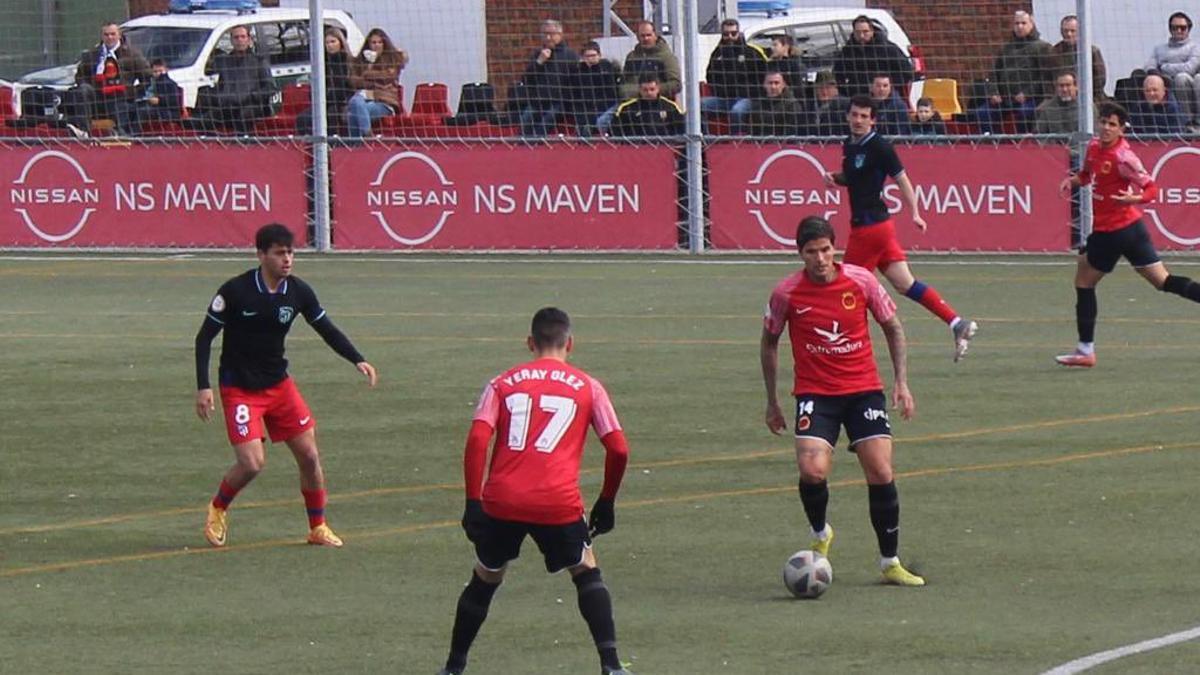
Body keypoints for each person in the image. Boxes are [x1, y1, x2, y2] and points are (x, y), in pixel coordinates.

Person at [435, 307, 633, 675]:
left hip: (502, 500)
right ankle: (611, 664)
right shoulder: (589, 386)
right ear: (570, 343)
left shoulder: (501, 383)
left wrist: (472, 502)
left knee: (486, 576)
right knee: (586, 571)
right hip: (556, 502)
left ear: (530, 343)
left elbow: (478, 438)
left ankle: (453, 667)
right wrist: (606, 501)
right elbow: (619, 448)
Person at [760, 215, 925, 587]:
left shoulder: (862, 281)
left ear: (835, 248)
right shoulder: (786, 293)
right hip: (816, 393)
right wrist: (772, 401)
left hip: (863, 389)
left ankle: (890, 562)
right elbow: (769, 343)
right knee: (812, 469)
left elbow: (893, 328)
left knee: (881, 470)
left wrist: (901, 382)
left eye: (825, 250)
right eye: (810, 252)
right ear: (799, 254)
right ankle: (821, 532)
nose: (819, 258)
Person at [194, 224, 378, 548]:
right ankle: (218, 507)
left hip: (279, 386)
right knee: (252, 463)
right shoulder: (235, 291)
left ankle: (317, 527)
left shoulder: (298, 292)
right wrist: (203, 387)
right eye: (280, 253)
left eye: (291, 252)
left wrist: (357, 359)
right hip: (239, 389)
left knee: (309, 456)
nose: (288, 259)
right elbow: (204, 337)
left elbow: (326, 328)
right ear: (261, 255)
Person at [824, 95, 978, 360]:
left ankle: (848, 350)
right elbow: (855, 178)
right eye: (854, 115)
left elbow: (902, 180)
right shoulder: (849, 144)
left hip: (871, 229)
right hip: (876, 228)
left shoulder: (880, 146)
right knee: (905, 284)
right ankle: (957, 323)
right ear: (848, 116)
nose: (858, 120)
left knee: (848, 287)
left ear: (873, 120)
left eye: (864, 116)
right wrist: (835, 178)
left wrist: (915, 213)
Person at [1055, 102, 1200, 367]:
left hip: (1115, 231)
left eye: (1112, 124)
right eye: (1104, 122)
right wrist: (1072, 180)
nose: (1106, 128)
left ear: (1122, 129)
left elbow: (1152, 188)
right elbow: (1087, 175)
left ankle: (1086, 350)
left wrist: (1135, 197)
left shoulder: (1124, 157)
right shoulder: (1094, 148)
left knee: (1084, 281)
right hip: (1133, 231)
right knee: (1163, 281)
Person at [66, 21, 151, 136]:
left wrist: (133, 92)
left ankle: (121, 135)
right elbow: (80, 76)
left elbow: (147, 77)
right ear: (102, 36)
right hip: (97, 97)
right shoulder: (93, 54)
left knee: (121, 106)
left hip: (120, 98)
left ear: (119, 35)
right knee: (83, 89)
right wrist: (88, 85)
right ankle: (83, 130)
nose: (109, 37)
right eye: (106, 34)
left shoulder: (132, 54)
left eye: (112, 34)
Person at [975, 11, 1054, 134]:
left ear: (1032, 24)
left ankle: (1023, 143)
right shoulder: (1006, 48)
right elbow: (994, 74)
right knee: (982, 113)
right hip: (1004, 98)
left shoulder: (1043, 48)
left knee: (1025, 113)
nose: (1020, 27)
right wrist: (994, 93)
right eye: (1017, 23)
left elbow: (1045, 76)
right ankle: (993, 142)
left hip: (1030, 98)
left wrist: (1027, 94)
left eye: (1023, 23)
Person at [596, 20, 681, 135]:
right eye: (642, 36)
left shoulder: (667, 57)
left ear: (655, 35)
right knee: (602, 122)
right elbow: (623, 81)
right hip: (630, 103)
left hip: (658, 103)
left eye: (648, 35)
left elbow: (676, 84)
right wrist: (632, 92)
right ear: (637, 37)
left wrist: (652, 90)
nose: (645, 38)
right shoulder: (632, 56)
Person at [197, 25, 276, 134]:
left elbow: (270, 87)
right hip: (228, 106)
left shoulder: (259, 61)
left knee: (242, 118)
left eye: (243, 37)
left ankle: (241, 145)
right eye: (236, 37)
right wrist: (219, 97)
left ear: (249, 39)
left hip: (251, 106)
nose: (240, 40)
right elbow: (220, 84)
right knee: (204, 120)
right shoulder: (224, 62)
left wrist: (252, 96)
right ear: (231, 41)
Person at [701, 18, 768, 134]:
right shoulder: (717, 54)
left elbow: (763, 76)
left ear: (739, 33)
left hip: (748, 99)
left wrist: (750, 92)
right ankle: (705, 140)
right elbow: (710, 76)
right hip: (724, 99)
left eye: (733, 33)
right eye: (726, 34)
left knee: (737, 111)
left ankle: (735, 142)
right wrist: (719, 91)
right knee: (698, 107)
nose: (730, 37)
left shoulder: (751, 53)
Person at [514, 19, 578, 137]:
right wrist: (539, 62)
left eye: (552, 34)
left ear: (560, 35)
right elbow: (526, 79)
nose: (548, 37)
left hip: (559, 101)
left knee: (544, 124)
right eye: (545, 34)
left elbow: (575, 81)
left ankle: (538, 146)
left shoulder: (570, 55)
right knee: (525, 122)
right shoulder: (537, 54)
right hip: (537, 100)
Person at [831, 15, 915, 97]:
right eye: (858, 32)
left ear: (872, 31)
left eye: (865, 31)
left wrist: (888, 86)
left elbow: (906, 72)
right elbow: (837, 75)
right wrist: (847, 91)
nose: (861, 36)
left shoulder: (888, 49)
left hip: (886, 98)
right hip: (858, 98)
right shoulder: (847, 52)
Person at [347, 28, 407, 137]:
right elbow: (354, 81)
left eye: (380, 42)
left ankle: (356, 144)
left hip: (384, 102)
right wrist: (374, 82)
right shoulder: (360, 62)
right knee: (355, 103)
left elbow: (387, 77)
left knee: (354, 111)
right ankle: (365, 136)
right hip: (363, 101)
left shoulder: (392, 60)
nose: (376, 45)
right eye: (373, 42)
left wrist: (366, 74)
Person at [1144, 12, 1200, 128]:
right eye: (1175, 28)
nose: (1179, 30)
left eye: (1183, 28)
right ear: (1170, 29)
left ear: (1188, 29)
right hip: (1164, 82)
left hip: (1188, 83)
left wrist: (1165, 67)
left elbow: (1190, 68)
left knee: (1182, 77)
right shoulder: (1159, 49)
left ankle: (1192, 120)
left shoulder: (1195, 48)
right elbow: (1149, 67)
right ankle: (1185, 123)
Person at [297, 26, 354, 136]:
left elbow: (346, 88)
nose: (330, 45)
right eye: (327, 43)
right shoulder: (322, 63)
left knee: (331, 114)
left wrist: (327, 98)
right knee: (303, 118)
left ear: (341, 42)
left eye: (333, 42)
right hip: (324, 103)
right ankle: (310, 145)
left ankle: (332, 144)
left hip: (343, 102)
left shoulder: (348, 62)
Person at [1050, 15, 1106, 101]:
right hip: (1061, 98)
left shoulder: (1091, 51)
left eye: (1072, 31)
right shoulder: (1054, 52)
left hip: (1090, 97)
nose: (1069, 34)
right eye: (1066, 31)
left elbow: (1100, 80)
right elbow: (1049, 78)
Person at [569, 41, 619, 138]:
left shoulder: (607, 68)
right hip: (586, 108)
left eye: (593, 55)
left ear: (599, 55)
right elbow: (576, 95)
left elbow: (610, 93)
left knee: (600, 122)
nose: (590, 59)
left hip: (607, 106)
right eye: (587, 56)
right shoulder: (578, 72)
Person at [611, 73, 684, 137]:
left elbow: (681, 131)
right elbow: (615, 133)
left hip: (665, 149)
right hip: (635, 150)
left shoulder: (670, 107)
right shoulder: (627, 109)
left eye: (652, 89)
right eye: (645, 90)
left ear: (658, 88)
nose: (649, 93)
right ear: (639, 89)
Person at [747, 69, 803, 136]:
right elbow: (753, 132)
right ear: (764, 84)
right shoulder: (757, 105)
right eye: (770, 83)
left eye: (776, 83)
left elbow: (791, 134)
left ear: (783, 84)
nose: (773, 87)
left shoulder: (792, 105)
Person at [1130, 71, 1188, 135]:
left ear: (1164, 90)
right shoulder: (1138, 107)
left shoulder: (1173, 109)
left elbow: (1176, 137)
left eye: (1155, 90)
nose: (1151, 94)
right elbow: (1134, 131)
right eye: (1147, 91)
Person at [134, 58, 183, 133]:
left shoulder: (170, 84)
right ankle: (123, 130)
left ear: (166, 70)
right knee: (130, 108)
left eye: (160, 71)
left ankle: (134, 133)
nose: (158, 73)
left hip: (167, 111)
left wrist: (159, 100)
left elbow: (174, 101)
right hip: (149, 105)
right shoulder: (148, 82)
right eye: (155, 71)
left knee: (144, 111)